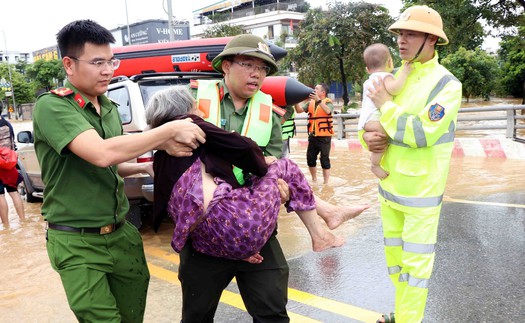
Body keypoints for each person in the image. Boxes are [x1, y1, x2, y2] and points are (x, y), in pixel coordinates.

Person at [33, 20, 205, 322]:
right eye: (97, 62)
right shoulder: (52, 107)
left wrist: (153, 166)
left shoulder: (109, 108)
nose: (107, 70)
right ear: (69, 64)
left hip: (121, 234)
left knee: (132, 315)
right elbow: (101, 154)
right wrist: (166, 132)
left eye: (111, 61)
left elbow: (113, 164)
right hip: (77, 241)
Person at [147, 86, 368, 264]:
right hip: (238, 225)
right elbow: (242, 148)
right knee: (285, 166)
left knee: (258, 178)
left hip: (213, 241)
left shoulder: (161, 153)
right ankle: (321, 232)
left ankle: (328, 213)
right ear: (186, 108)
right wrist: (262, 163)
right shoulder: (189, 125)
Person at [359, 6, 462, 323]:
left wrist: (386, 107)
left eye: (411, 34)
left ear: (431, 40)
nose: (401, 41)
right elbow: (371, 125)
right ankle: (402, 314)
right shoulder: (391, 80)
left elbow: (420, 134)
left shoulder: (446, 85)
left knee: (416, 268)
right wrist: (370, 142)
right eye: (400, 34)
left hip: (420, 195)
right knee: (395, 262)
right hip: (389, 188)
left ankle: (406, 320)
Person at [359, 43, 412, 179]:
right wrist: (405, 73)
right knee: (383, 138)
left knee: (379, 139)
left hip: (366, 120)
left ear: (367, 69)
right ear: (390, 62)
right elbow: (395, 89)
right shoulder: (385, 76)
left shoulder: (368, 81)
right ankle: (375, 165)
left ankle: (375, 163)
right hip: (376, 118)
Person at [294, 83, 334, 184]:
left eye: (316, 89)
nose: (314, 90)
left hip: (324, 136)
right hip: (313, 136)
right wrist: (295, 100)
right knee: (310, 158)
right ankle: (314, 180)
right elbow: (299, 110)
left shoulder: (328, 102)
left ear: (323, 92)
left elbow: (328, 111)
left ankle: (326, 183)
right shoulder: (310, 103)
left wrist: (318, 100)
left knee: (324, 159)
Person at [0, 115, 25, 226]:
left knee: (0, 196)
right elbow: (12, 142)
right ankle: (23, 221)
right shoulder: (7, 124)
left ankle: (6, 225)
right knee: (14, 192)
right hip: (9, 163)